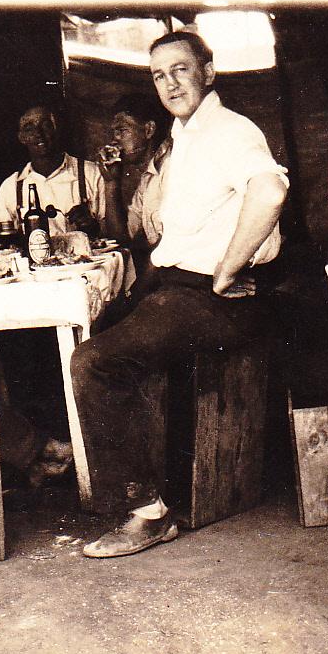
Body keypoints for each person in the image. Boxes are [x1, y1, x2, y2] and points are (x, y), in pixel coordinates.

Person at [71, 31, 289, 559]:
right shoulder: (186, 135)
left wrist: (225, 271)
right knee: (99, 331)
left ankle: (147, 515)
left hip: (213, 297)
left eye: (181, 70)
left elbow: (271, 191)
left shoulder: (231, 130)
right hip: (177, 286)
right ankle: (142, 484)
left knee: (93, 361)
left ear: (208, 73)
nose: (170, 83)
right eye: (159, 74)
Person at [0, 105, 107, 238]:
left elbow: (114, 233)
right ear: (21, 138)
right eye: (29, 129)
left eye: (45, 125)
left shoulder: (91, 173)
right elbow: (3, 238)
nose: (38, 134)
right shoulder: (10, 186)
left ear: (56, 129)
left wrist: (93, 226)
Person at [98, 93, 168, 259]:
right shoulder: (148, 177)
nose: (115, 139)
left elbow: (169, 248)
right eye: (114, 132)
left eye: (122, 130)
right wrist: (111, 182)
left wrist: (139, 286)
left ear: (149, 130)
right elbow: (121, 239)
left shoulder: (172, 167)